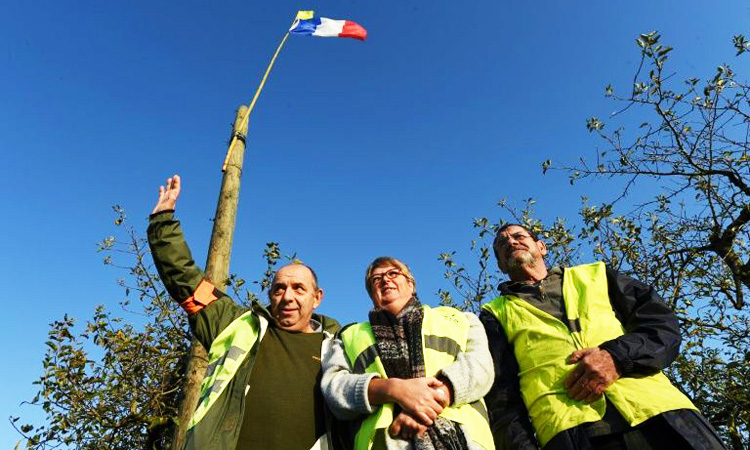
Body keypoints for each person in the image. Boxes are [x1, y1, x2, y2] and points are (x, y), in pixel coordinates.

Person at [480, 224, 727, 450]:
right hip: (573, 436)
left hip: (665, 418)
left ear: (541, 247)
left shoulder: (598, 275)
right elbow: (502, 398)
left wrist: (617, 357)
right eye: (501, 244)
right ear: (501, 265)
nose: (510, 243)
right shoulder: (494, 314)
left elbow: (661, 325)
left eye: (518, 236)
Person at [148, 174, 340, 450]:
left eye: (299, 289)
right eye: (279, 289)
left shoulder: (338, 346)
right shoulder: (235, 323)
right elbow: (185, 281)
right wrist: (162, 222)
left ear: (317, 298)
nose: (287, 296)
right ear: (270, 295)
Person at [322, 256, 496, 450]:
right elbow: (334, 388)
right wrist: (393, 389)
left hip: (465, 440)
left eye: (393, 273)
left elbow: (481, 367)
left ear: (411, 284)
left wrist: (430, 400)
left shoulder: (461, 319)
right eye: (376, 279)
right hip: (384, 443)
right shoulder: (349, 336)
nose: (385, 280)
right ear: (372, 293)